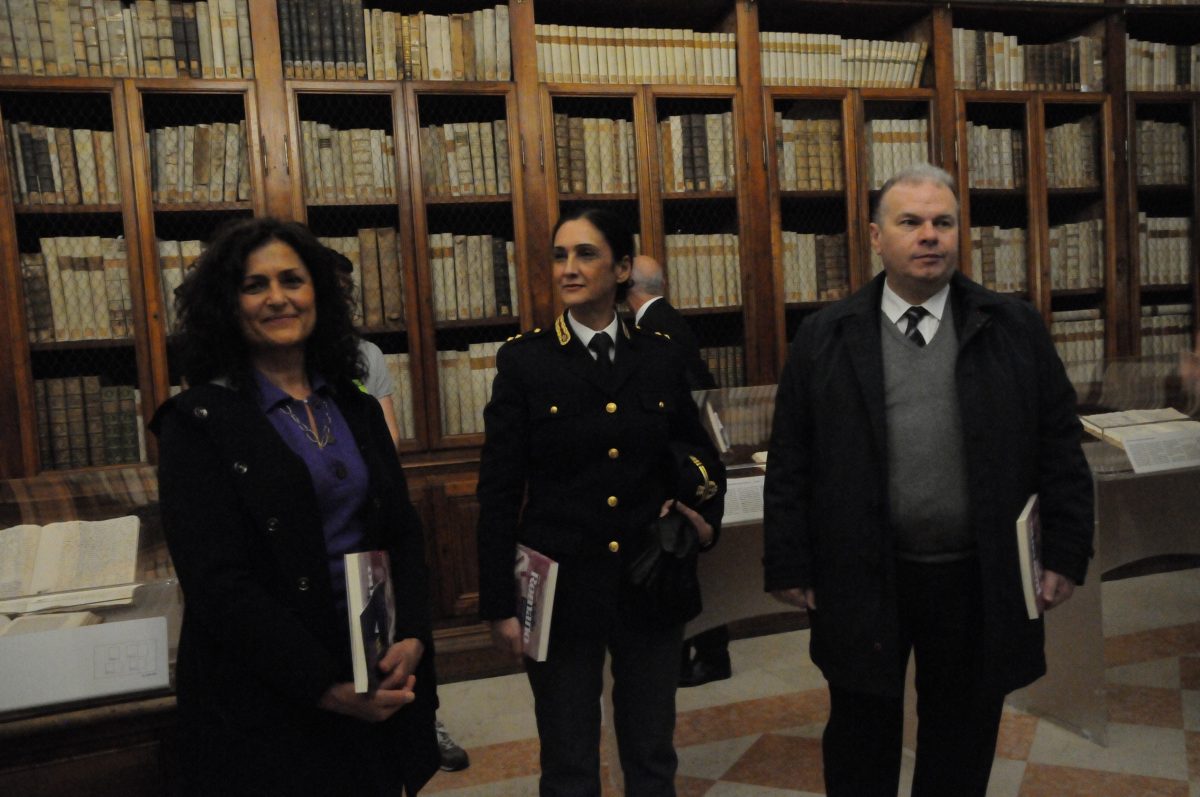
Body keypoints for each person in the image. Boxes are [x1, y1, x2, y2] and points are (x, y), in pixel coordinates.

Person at [763, 163, 1094, 796]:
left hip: (976, 575)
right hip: (863, 575)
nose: (929, 236)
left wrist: (1065, 552)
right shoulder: (825, 335)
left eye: (943, 222)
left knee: (962, 741)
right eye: (910, 222)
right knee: (860, 738)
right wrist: (788, 561)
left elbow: (1058, 445)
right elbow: (791, 461)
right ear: (875, 236)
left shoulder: (1013, 327)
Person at [151, 217, 439, 795]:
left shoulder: (355, 405)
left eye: (292, 280)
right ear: (227, 305)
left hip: (376, 669)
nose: (277, 298)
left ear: (319, 294)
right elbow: (218, 584)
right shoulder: (196, 423)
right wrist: (325, 687)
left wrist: (412, 636)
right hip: (272, 694)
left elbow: (401, 532)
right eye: (254, 285)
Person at [476, 207, 726, 795]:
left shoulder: (659, 354)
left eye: (586, 254)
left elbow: (697, 453)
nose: (569, 268)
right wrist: (498, 603)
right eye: (560, 255)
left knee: (651, 753)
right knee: (568, 761)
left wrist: (700, 520)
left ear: (620, 269)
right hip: (561, 590)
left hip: (649, 580)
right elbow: (499, 488)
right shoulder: (526, 361)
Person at [626, 255, 731, 688]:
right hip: (692, 451)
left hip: (678, 456)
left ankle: (699, 654)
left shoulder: (652, 329)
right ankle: (701, 652)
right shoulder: (669, 318)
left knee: (679, 557)